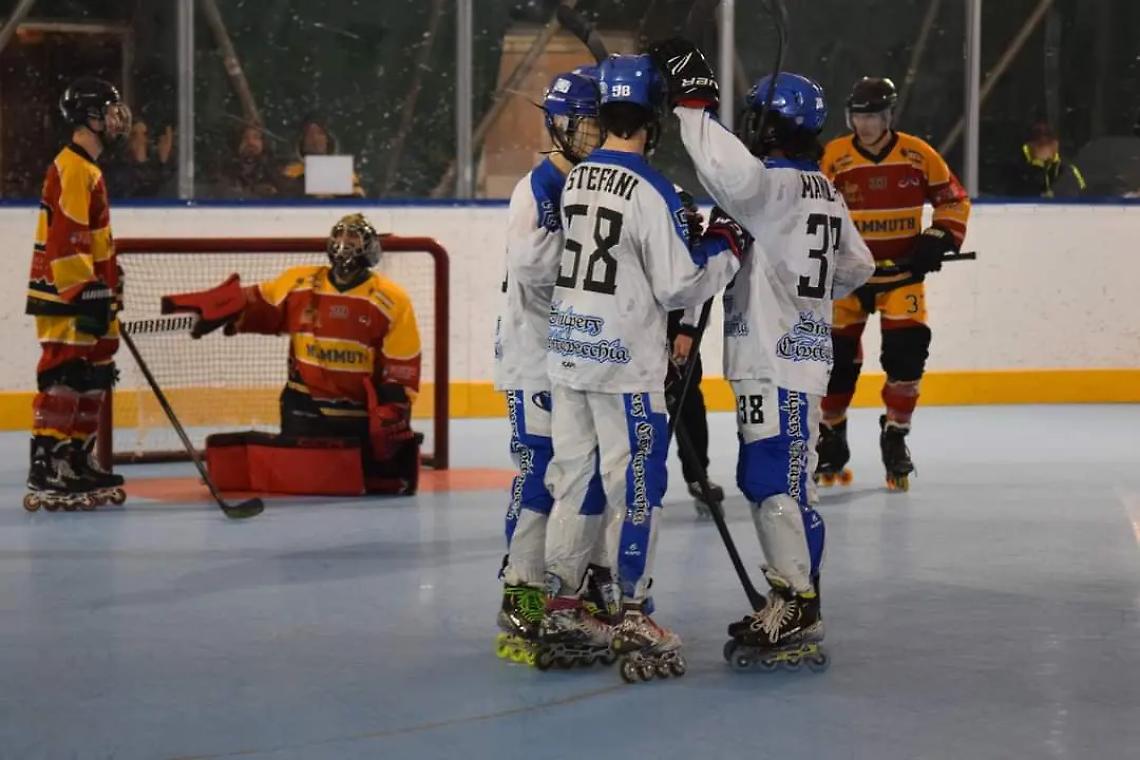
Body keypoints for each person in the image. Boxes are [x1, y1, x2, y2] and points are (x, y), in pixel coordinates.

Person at [652, 40, 874, 665]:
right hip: (790, 354)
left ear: (769, 124)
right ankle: (792, 597)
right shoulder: (824, 191)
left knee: (775, 479)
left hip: (776, 360)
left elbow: (726, 171)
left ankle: (798, 606)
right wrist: (804, 293)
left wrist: (692, 106)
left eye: (755, 117)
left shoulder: (764, 187)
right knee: (772, 476)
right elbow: (859, 265)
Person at [532, 54, 749, 679]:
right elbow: (681, 284)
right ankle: (632, 610)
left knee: (576, 483)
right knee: (638, 491)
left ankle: (564, 604)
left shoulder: (577, 179)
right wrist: (725, 245)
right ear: (651, 121)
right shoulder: (651, 189)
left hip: (571, 355)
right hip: (625, 365)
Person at [162, 214, 422, 494]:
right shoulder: (300, 281)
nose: (344, 245)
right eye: (340, 237)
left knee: (367, 485)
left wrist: (393, 409)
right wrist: (224, 308)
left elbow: (402, 363)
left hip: (357, 412)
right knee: (302, 485)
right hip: (304, 405)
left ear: (369, 247)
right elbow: (258, 302)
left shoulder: (392, 299)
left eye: (353, 239)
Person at [492, 67, 611, 665]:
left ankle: (573, 588)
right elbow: (535, 272)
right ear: (558, 126)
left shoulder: (593, 186)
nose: (591, 133)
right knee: (540, 474)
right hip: (536, 359)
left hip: (576, 357)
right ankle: (521, 595)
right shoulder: (536, 189)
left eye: (597, 121)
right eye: (581, 122)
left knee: (582, 475)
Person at [817, 77, 971, 490]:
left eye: (873, 116)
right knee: (835, 366)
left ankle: (896, 434)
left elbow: (953, 199)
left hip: (902, 277)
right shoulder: (832, 156)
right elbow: (809, 208)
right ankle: (831, 436)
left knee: (906, 359)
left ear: (888, 116)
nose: (865, 125)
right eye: (859, 116)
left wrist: (940, 236)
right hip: (846, 279)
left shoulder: (918, 154)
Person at [24, 77, 133, 512]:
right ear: (89, 117)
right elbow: (66, 236)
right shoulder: (71, 167)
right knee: (65, 375)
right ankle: (47, 462)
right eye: (108, 111)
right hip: (66, 294)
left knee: (94, 374)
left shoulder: (90, 169)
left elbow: (94, 236)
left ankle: (75, 456)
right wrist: (83, 290)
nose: (116, 118)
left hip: (91, 291)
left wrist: (109, 279)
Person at [665, 302, 724, 517]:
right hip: (632, 320)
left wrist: (689, 328)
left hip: (674, 323)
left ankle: (697, 475)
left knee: (687, 401)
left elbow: (700, 281)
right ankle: (627, 476)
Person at [278, 114, 364, 198]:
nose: (315, 138)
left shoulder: (342, 172)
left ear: (327, 140)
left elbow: (358, 201)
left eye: (319, 133)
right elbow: (285, 200)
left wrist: (334, 197)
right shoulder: (290, 171)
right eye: (309, 134)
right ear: (302, 141)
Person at [1004, 121, 1086, 198]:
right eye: (1039, 141)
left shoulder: (1069, 170)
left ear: (1056, 144)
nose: (1044, 141)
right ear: (1029, 145)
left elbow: (1081, 199)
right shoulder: (1015, 170)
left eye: (1048, 140)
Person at [103, 118, 176, 198]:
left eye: (144, 134)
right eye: (135, 134)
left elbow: (163, 190)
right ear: (128, 140)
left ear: (148, 139)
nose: (140, 138)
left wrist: (163, 161)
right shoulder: (118, 170)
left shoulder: (156, 168)